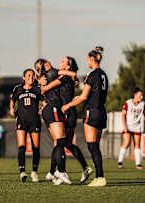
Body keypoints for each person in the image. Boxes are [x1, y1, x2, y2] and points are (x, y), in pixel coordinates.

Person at [40, 56, 92, 184]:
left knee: (60, 142)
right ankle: (83, 168)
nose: (60, 62)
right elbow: (72, 75)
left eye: (63, 61)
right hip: (70, 111)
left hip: (66, 111)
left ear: (68, 66)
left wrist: (42, 84)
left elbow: (46, 88)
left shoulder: (63, 77)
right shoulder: (67, 76)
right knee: (66, 143)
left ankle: (55, 172)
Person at [62, 47, 108, 187]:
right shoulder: (103, 75)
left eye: (88, 59)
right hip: (101, 111)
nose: (87, 62)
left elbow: (84, 97)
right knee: (96, 147)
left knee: (92, 146)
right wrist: (78, 97)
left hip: (92, 112)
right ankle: (99, 176)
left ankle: (100, 177)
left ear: (92, 59)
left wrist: (68, 105)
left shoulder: (92, 75)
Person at [34, 59, 71, 185]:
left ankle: (51, 172)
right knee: (61, 140)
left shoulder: (44, 77)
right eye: (48, 61)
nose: (51, 62)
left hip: (49, 109)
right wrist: (72, 74)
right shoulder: (51, 73)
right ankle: (61, 171)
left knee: (58, 142)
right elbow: (69, 73)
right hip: (53, 107)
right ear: (45, 65)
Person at [10, 69, 43, 182]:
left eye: (33, 75)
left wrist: (42, 109)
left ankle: (34, 172)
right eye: (29, 75)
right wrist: (11, 109)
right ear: (24, 77)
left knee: (36, 147)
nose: (31, 77)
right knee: (22, 146)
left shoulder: (37, 89)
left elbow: (44, 101)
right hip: (21, 120)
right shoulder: (18, 88)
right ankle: (22, 172)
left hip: (35, 121)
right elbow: (12, 100)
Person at [117, 87, 145, 170]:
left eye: (142, 95)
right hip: (128, 126)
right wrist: (124, 126)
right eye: (140, 95)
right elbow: (123, 115)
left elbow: (144, 114)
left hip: (137, 127)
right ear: (135, 95)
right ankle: (120, 161)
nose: (141, 97)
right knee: (127, 143)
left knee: (137, 144)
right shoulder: (128, 103)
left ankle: (138, 164)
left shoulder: (143, 104)